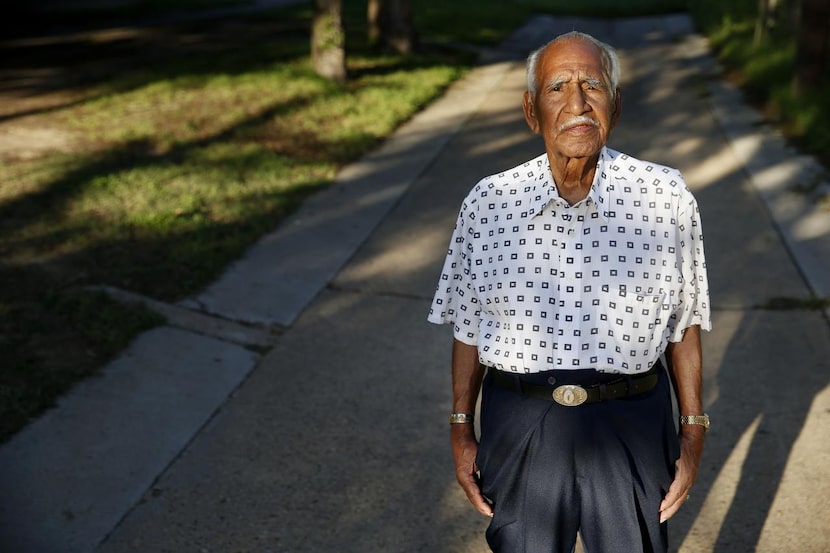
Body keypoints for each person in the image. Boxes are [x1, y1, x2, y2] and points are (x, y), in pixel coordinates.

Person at [427, 31, 711, 553]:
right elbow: (468, 324)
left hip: (633, 421)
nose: (578, 104)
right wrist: (460, 425)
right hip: (521, 422)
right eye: (557, 88)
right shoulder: (490, 202)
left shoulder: (664, 195)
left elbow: (684, 321)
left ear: (616, 105)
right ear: (532, 110)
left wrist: (693, 431)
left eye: (593, 87)